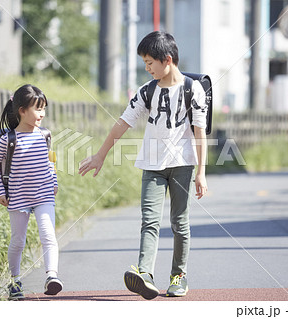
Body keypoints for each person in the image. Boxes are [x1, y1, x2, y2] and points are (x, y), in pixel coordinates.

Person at [79, 31, 208, 299]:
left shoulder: (192, 89)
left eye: (150, 63)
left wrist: (201, 172)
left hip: (183, 165)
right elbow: (122, 123)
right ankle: (145, 274)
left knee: (179, 224)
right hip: (152, 166)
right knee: (149, 221)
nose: (147, 68)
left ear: (167, 60)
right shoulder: (146, 91)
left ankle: (178, 276)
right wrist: (100, 155)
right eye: (145, 63)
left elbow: (200, 132)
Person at [0, 84, 63, 300]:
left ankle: (52, 276)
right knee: (18, 240)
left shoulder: (45, 135)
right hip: (18, 196)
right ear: (22, 110)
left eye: (43, 109)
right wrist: (0, 191)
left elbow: (51, 161)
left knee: (48, 235)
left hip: (44, 194)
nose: (42, 114)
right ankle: (15, 281)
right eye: (38, 109)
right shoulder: (8, 140)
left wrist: (54, 181)